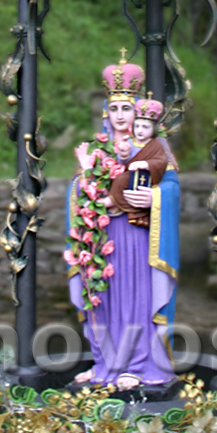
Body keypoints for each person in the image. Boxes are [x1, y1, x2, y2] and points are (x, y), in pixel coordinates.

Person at [65, 55, 180, 390]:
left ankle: (140, 363)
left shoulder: (154, 149)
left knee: (135, 296)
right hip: (103, 235)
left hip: (137, 235)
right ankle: (105, 364)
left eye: (126, 109)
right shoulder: (98, 149)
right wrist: (86, 184)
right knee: (103, 297)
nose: (119, 116)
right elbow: (74, 190)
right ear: (106, 113)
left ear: (138, 112)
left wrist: (155, 199)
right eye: (113, 109)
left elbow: (172, 188)